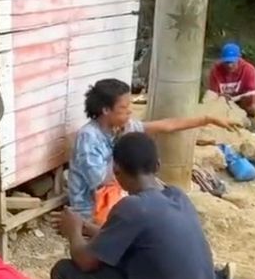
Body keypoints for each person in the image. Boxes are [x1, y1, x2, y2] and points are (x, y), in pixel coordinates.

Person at [53, 132, 239, 279]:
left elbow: (85, 261)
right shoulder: (176, 197)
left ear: (117, 172)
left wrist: (73, 232)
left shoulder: (132, 207)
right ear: (158, 165)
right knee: (120, 262)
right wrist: (87, 228)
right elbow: (129, 237)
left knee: (65, 274)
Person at [67, 78, 237, 227]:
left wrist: (207, 119)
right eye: (124, 107)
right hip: (92, 209)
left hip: (119, 196)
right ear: (105, 110)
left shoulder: (121, 128)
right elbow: (99, 181)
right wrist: (122, 145)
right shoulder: (88, 137)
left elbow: (167, 125)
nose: (130, 111)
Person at [208, 42, 255, 115]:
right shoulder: (216, 70)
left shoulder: (249, 70)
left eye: (233, 62)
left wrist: (247, 98)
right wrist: (221, 97)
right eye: (227, 62)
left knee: (252, 109)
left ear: (239, 58)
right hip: (222, 102)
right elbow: (212, 94)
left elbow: (253, 93)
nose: (230, 65)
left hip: (241, 101)